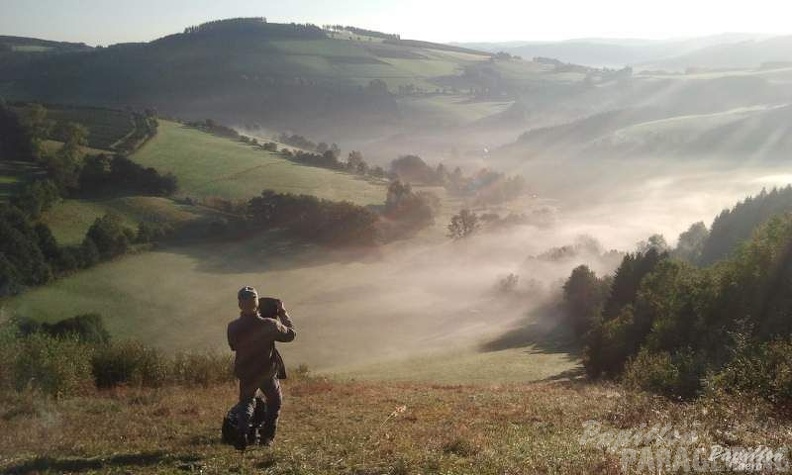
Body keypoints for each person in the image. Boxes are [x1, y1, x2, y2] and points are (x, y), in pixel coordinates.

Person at [227, 286, 296, 450]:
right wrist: (282, 313)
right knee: (275, 401)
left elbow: (233, 346)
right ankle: (267, 438)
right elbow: (291, 334)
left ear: (240, 304)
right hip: (267, 372)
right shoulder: (270, 324)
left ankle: (243, 433)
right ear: (257, 304)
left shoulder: (232, 326)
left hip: (245, 371)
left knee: (246, 402)